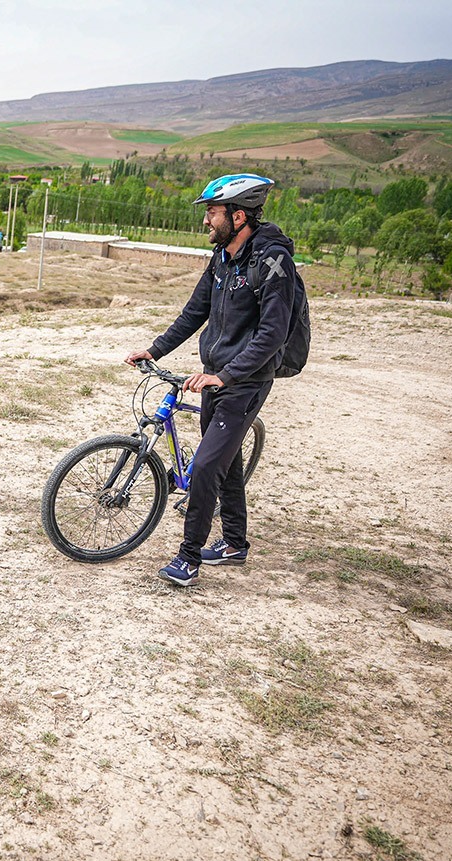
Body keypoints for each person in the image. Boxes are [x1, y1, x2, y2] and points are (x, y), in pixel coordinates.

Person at [125, 174, 297, 587]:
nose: (206, 220)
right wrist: (155, 349)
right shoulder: (221, 257)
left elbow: (273, 333)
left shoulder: (273, 262)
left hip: (246, 380)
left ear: (238, 217)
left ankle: (188, 559)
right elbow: (195, 311)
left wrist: (225, 375)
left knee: (204, 467)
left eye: (212, 212)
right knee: (226, 461)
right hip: (216, 377)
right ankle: (234, 542)